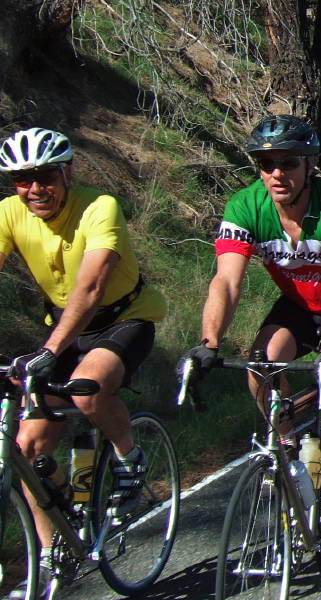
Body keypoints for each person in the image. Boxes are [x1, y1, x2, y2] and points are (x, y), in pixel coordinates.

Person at [184, 115, 321, 599]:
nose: (276, 173)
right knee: (259, 370)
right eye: (265, 163)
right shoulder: (245, 206)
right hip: (294, 305)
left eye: (288, 162)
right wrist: (208, 343)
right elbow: (227, 282)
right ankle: (291, 457)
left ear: (310, 165)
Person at [0, 127, 167, 599]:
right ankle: (58, 555)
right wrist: (51, 349)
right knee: (29, 447)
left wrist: (50, 352)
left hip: (124, 318)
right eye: (21, 179)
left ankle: (128, 455)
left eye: (46, 176)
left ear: (67, 172)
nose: (35, 189)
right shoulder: (8, 214)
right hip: (63, 331)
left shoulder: (100, 207)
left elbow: (92, 288)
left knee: (87, 385)